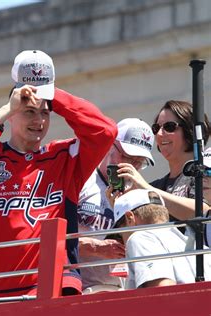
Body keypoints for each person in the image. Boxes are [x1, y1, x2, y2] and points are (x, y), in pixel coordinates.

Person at [0, 50, 117, 297]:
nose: (39, 120)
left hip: (48, 288)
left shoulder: (65, 157)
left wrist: (52, 94)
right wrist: (3, 111)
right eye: (29, 111)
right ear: (13, 113)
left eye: (45, 112)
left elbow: (105, 131)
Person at [77, 118, 155, 292]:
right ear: (110, 145)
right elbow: (53, 240)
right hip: (78, 289)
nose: (131, 166)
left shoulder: (140, 194)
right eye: (127, 156)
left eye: (139, 162)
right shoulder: (81, 179)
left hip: (121, 290)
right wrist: (95, 248)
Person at [118, 100, 210, 223]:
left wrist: (145, 188)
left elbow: (203, 212)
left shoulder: (205, 175)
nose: (160, 134)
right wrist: (119, 206)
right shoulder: (156, 186)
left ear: (189, 130)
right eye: (156, 128)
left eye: (169, 127)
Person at [112, 189, 211, 289]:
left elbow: (162, 292)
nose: (122, 242)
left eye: (119, 234)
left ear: (130, 218)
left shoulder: (141, 237)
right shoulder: (200, 248)